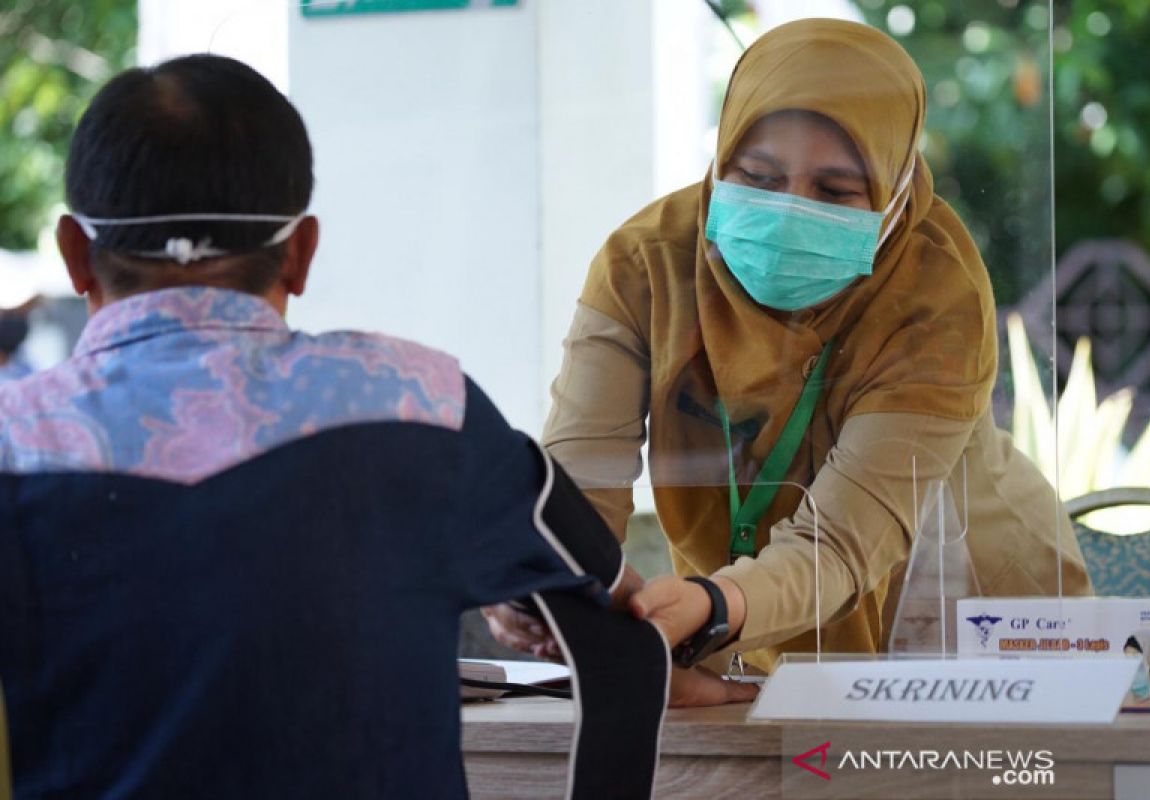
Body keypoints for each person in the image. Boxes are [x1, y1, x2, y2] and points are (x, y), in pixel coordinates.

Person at [0, 54, 701, 799]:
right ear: (300, 252)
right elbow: (616, 606)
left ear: (76, 253)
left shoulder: (15, 445)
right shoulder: (426, 405)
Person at [487, 18, 1092, 676]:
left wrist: (717, 606)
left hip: (973, 628)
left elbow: (841, 543)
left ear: (892, 198)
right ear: (719, 161)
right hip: (733, 621)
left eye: (835, 192)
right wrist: (541, 581)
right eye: (758, 176)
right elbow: (578, 488)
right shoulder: (646, 263)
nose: (788, 210)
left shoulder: (934, 291)